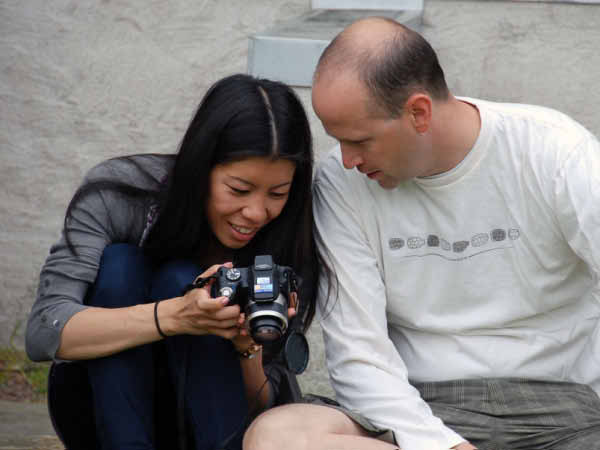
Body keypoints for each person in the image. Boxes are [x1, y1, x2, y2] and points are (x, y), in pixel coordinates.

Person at [243, 17, 600, 450]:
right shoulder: (341, 183)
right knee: (279, 436)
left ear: (418, 112)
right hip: (417, 410)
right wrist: (445, 446)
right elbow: (359, 356)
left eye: (361, 140)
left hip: (566, 411)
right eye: (339, 141)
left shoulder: (555, 152)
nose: (349, 159)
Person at [25, 73, 324, 450]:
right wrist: (177, 315)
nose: (255, 212)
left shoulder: (289, 232)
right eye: (239, 190)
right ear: (201, 167)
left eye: (277, 194)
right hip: (100, 412)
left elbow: (265, 409)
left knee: (181, 277)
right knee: (122, 265)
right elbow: (44, 331)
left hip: (216, 423)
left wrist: (246, 347)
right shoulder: (120, 195)